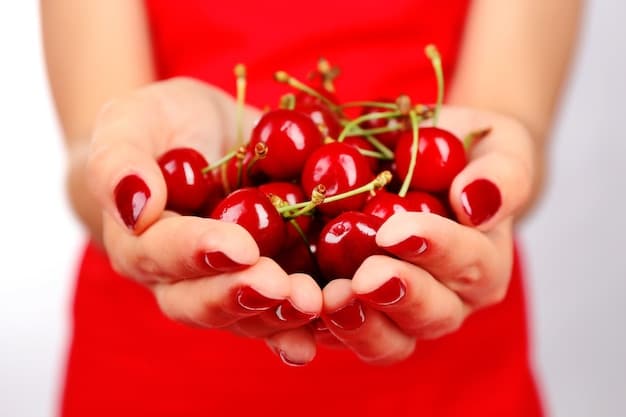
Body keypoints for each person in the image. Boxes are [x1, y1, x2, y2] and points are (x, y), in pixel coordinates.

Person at [41, 0, 581, 416]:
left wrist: (489, 178)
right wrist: (117, 182)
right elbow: (94, 139)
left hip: (448, 360)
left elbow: (510, 122)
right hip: (154, 370)